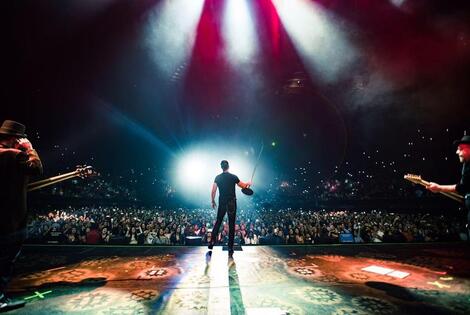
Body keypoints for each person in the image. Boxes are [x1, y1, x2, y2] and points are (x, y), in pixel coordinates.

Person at [0, 120, 42, 312]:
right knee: (5, 259)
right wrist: (29, 148)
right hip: (10, 219)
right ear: (16, 139)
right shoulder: (13, 154)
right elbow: (36, 169)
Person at [427, 133, 470, 237]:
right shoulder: (466, 165)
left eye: (460, 149)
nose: (457, 152)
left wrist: (439, 188)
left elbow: (462, 187)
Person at [209, 160, 251, 258]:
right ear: (228, 167)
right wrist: (248, 183)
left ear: (221, 167)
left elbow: (213, 190)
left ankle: (211, 241)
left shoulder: (217, 177)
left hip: (222, 202)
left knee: (218, 222)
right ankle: (230, 248)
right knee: (232, 225)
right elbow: (244, 186)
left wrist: (212, 200)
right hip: (232, 202)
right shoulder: (233, 177)